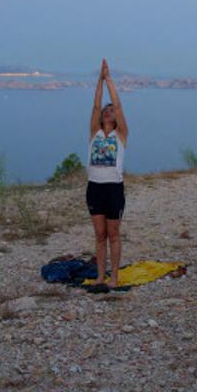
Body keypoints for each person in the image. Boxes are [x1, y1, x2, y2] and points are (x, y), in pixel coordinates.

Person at [87, 59, 129, 289]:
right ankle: (100, 277)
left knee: (113, 234)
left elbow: (119, 106)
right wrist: (99, 80)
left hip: (113, 188)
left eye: (111, 110)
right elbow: (95, 106)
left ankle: (114, 277)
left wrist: (109, 78)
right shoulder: (94, 132)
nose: (109, 111)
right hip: (94, 188)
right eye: (106, 110)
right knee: (99, 235)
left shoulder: (121, 134)